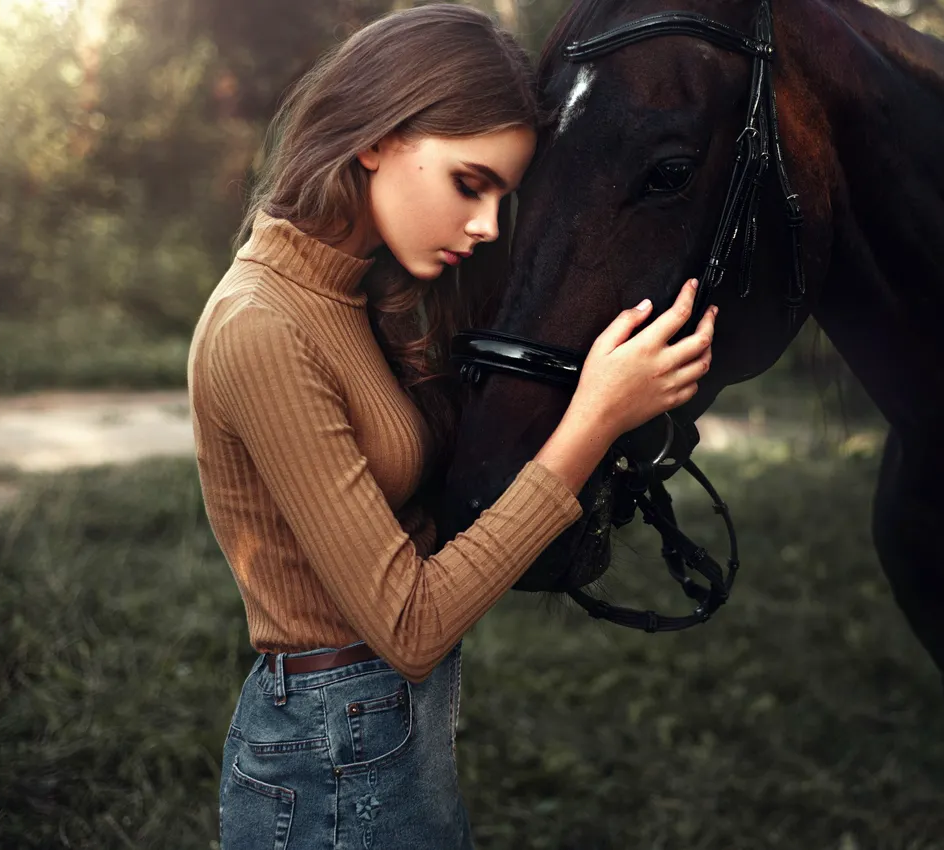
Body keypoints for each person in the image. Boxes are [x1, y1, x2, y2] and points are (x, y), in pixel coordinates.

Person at [186, 5, 717, 847]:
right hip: (324, 772)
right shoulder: (261, 326)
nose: (485, 224)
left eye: (503, 196)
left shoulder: (354, 294)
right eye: (470, 184)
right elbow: (410, 626)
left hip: (384, 744)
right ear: (376, 137)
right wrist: (592, 421)